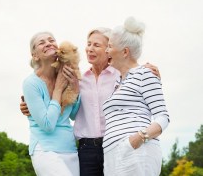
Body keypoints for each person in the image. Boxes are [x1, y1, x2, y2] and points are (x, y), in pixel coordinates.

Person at [20, 28, 160, 176]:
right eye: (88, 44)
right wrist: (27, 106)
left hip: (114, 145)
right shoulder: (79, 79)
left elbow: (140, 82)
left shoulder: (122, 75)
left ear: (109, 50)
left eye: (96, 45)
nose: (89, 49)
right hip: (86, 150)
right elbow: (73, 114)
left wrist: (146, 70)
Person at [103, 17, 170, 176]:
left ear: (125, 52)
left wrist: (138, 138)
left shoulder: (145, 73)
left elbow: (163, 117)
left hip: (136, 150)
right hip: (113, 154)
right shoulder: (118, 82)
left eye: (110, 46)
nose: (106, 51)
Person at [22, 31, 81, 176]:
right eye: (42, 43)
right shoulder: (31, 83)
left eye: (51, 40)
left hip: (70, 149)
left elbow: (74, 115)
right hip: (45, 149)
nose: (48, 43)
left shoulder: (67, 74)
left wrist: (75, 88)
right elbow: (47, 125)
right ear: (35, 55)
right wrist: (59, 89)